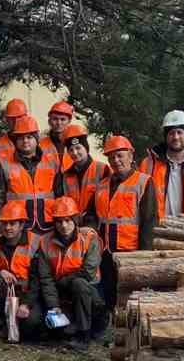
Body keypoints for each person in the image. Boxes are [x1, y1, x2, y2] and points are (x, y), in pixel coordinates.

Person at [91, 135, 157, 320]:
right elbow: (92, 215)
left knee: (131, 293)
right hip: (106, 250)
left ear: (130, 155)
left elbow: (149, 221)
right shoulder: (102, 185)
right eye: (111, 157)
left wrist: (145, 254)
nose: (116, 160)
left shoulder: (144, 182)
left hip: (131, 250)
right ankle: (112, 325)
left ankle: (132, 325)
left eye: (120, 155)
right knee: (110, 292)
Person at [38, 196, 104, 349]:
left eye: (68, 220)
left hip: (88, 292)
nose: (64, 225)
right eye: (59, 221)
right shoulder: (45, 241)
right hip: (60, 291)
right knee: (46, 328)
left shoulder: (88, 237)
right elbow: (46, 279)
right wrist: (53, 306)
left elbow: (88, 272)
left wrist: (66, 280)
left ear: (75, 220)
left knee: (79, 283)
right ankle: (65, 327)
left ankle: (84, 335)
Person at [0, 201, 44, 341]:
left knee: (30, 324)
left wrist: (26, 304)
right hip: (7, 294)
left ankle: (21, 327)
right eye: (4, 223)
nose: (7, 227)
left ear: (22, 225)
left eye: (12, 223)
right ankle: (7, 325)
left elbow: (38, 280)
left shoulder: (36, 242)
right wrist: (0, 272)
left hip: (30, 294)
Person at [0, 115, 61, 234]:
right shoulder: (4, 165)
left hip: (49, 227)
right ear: (15, 141)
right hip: (17, 228)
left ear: (36, 139)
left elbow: (60, 195)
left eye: (29, 137)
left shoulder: (52, 162)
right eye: (21, 138)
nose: (25, 141)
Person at [60, 122, 109, 227]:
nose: (75, 153)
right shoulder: (66, 175)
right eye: (71, 150)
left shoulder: (103, 169)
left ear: (86, 148)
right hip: (73, 227)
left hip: (97, 226)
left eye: (78, 148)